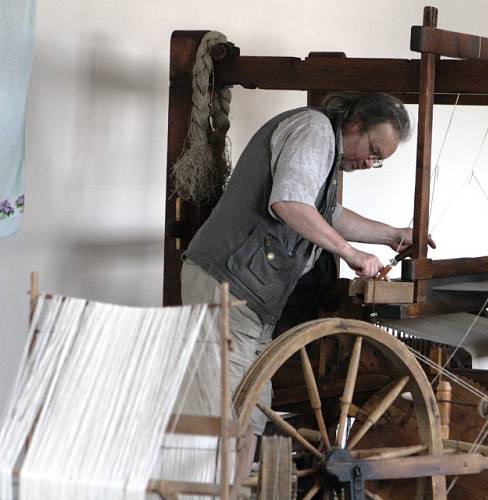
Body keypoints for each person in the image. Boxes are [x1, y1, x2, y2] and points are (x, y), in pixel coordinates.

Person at [180, 92, 435, 434]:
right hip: (226, 286)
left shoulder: (325, 149)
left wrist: (391, 234)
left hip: (252, 301)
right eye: (373, 151)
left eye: (379, 160)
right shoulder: (313, 130)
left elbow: (330, 215)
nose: (370, 164)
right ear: (356, 124)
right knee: (222, 420)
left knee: (251, 417)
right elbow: (290, 204)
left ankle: (240, 485)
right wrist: (351, 253)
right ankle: (216, 488)